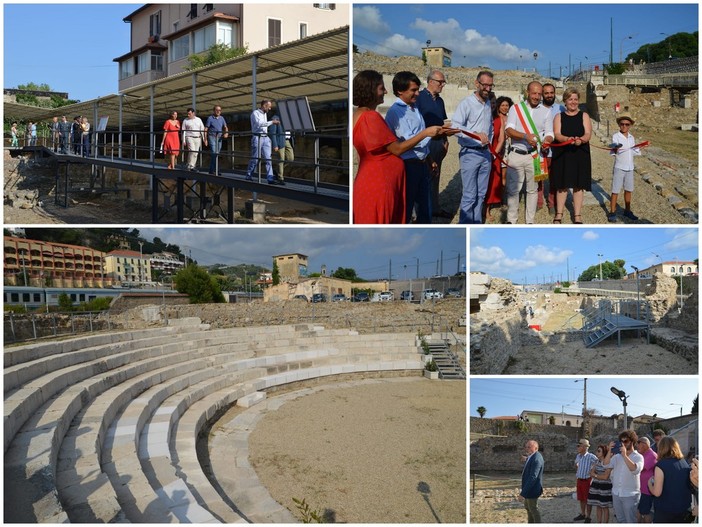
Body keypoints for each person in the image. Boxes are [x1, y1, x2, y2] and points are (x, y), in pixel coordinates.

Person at [352, 69, 444, 224]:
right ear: (370, 90)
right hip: (380, 182)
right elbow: (397, 148)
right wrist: (426, 133)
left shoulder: (360, 115)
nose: (385, 91)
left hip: (378, 177)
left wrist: (427, 157)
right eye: (381, 88)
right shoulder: (371, 117)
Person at [385, 71, 436, 223]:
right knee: (406, 209)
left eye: (417, 89)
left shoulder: (413, 108)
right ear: (400, 91)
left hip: (420, 164)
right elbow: (407, 142)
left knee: (425, 208)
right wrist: (428, 133)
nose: (417, 93)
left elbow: (419, 137)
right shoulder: (396, 112)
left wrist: (429, 158)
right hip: (407, 166)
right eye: (413, 90)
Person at [504, 81, 554, 224]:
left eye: (539, 94)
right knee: (513, 190)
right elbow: (509, 130)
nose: (537, 96)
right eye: (534, 93)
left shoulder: (546, 111)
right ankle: (511, 220)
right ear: (527, 92)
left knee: (532, 190)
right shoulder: (516, 108)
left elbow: (549, 132)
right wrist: (525, 136)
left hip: (534, 155)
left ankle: (530, 221)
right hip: (516, 154)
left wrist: (548, 140)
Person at [452, 71, 494, 224]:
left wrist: (489, 142)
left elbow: (490, 128)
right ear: (477, 84)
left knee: (481, 194)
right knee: (470, 194)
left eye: (490, 85)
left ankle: (476, 223)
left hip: (485, 154)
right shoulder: (466, 103)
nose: (488, 88)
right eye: (485, 85)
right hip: (470, 153)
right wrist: (474, 135)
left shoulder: (488, 103)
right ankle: (465, 225)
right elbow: (455, 126)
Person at [551, 87, 592, 224]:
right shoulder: (559, 116)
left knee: (578, 185)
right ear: (565, 101)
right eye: (570, 99)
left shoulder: (584, 115)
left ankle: (577, 215)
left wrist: (582, 140)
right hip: (564, 153)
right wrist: (567, 139)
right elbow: (557, 134)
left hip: (580, 152)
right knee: (562, 184)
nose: (573, 102)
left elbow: (587, 134)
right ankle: (559, 213)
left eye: (575, 99)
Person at [415, 69, 452, 219]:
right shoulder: (419, 98)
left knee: (436, 175)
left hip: (438, 143)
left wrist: (446, 140)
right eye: (440, 82)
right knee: (423, 177)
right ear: (431, 81)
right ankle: (420, 212)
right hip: (425, 143)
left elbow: (441, 122)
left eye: (443, 82)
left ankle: (435, 208)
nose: (443, 84)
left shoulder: (440, 101)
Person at [647, 436, 692, 523]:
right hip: (683, 509)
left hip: (666, 512)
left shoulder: (661, 465)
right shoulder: (684, 462)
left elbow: (657, 492)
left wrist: (649, 484)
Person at [604, 429, 644, 524]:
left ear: (632, 441)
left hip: (630, 495)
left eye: (625, 441)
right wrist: (609, 451)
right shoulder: (617, 457)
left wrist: (625, 456)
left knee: (631, 521)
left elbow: (635, 469)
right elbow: (606, 465)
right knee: (620, 520)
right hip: (616, 493)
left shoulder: (638, 457)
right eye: (621, 441)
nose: (623, 444)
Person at [608, 112, 641, 222]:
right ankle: (612, 212)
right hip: (619, 167)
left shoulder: (632, 137)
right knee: (615, 190)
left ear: (630, 125)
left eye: (627, 124)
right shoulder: (616, 136)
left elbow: (635, 151)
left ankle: (627, 210)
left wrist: (641, 147)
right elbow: (614, 149)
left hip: (630, 167)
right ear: (619, 125)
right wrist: (616, 148)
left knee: (628, 190)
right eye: (622, 124)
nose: (624, 126)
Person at [484, 95, 512, 219]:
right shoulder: (483, 117)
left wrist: (494, 154)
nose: (493, 105)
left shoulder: (498, 119)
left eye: (494, 102)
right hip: (482, 152)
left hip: (495, 153)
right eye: (491, 102)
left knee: (494, 180)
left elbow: (501, 139)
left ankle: (488, 208)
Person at [540, 83, 564, 214]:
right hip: (541, 151)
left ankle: (552, 203)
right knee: (539, 177)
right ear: (543, 94)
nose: (549, 95)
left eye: (551, 93)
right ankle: (538, 202)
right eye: (546, 93)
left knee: (554, 179)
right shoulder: (537, 109)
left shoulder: (561, 109)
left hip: (556, 150)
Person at [245, 100, 279, 184]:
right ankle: (249, 175)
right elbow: (260, 124)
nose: (270, 108)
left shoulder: (265, 113)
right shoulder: (255, 113)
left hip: (265, 137)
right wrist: (272, 122)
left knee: (268, 159)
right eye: (269, 106)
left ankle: (270, 178)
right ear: (264, 106)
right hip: (257, 137)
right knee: (255, 158)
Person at [519, 439, 544, 523]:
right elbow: (531, 461)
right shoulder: (533, 456)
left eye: (529, 447)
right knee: (528, 507)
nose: (527, 448)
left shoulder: (537, 459)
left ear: (536, 448)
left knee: (533, 509)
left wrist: (523, 493)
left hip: (532, 489)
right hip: (529, 489)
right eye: (526, 447)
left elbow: (533, 477)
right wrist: (526, 459)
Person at [588, 444, 614, 524]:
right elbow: (590, 472)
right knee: (598, 505)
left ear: (604, 452)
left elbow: (605, 477)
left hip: (604, 486)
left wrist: (595, 475)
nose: (597, 452)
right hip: (596, 485)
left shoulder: (608, 462)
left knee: (604, 507)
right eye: (597, 450)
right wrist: (598, 475)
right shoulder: (596, 461)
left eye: (599, 451)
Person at [574, 438, 598, 523]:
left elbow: (598, 462)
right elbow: (576, 464)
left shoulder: (591, 457)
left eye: (579, 445)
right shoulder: (578, 456)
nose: (577, 447)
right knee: (581, 498)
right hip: (579, 480)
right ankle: (583, 514)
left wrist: (592, 471)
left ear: (584, 447)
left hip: (587, 480)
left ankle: (588, 516)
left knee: (588, 499)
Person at [637, 436, 658, 523]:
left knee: (645, 512)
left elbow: (640, 468)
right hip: (641, 489)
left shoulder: (651, 455)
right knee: (640, 511)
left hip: (647, 490)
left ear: (645, 445)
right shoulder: (643, 454)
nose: (637, 446)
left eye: (639, 444)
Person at [269, 113, 294, 184]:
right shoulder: (275, 118)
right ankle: (280, 178)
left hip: (288, 141)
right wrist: (275, 145)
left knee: (290, 159)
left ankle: (277, 171)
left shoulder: (289, 118)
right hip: (280, 141)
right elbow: (272, 133)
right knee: (281, 159)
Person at [205, 105, 228, 175]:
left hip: (219, 138)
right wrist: (205, 139)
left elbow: (225, 127)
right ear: (214, 110)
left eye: (220, 110)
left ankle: (211, 170)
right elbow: (206, 129)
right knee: (214, 152)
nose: (218, 111)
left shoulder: (222, 118)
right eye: (217, 110)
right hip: (212, 137)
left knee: (216, 154)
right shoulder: (210, 118)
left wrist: (226, 133)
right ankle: (217, 170)